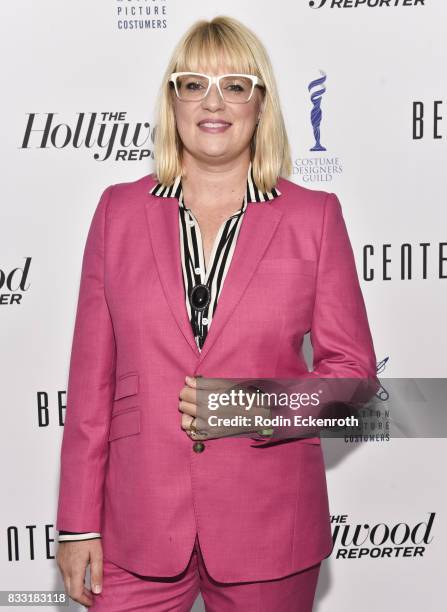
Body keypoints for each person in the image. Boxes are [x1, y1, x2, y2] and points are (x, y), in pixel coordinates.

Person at [55, 15, 377, 611]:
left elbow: (355, 375)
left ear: (261, 104)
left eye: (236, 85)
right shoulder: (117, 212)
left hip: (269, 526)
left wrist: (248, 404)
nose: (214, 101)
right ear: (172, 100)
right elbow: (90, 383)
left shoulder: (315, 217)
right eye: (193, 83)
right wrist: (78, 524)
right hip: (136, 526)